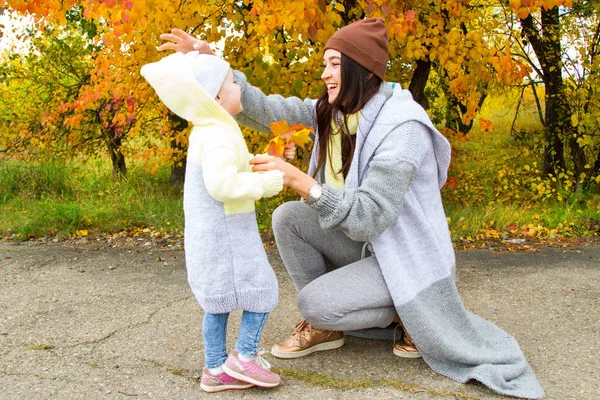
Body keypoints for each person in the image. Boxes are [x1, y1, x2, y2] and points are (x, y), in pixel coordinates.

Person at [158, 18, 544, 399]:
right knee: (288, 218)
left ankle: (405, 314)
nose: (325, 74)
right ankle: (332, 324)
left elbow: (370, 215)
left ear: (361, 69)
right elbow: (266, 109)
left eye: (334, 65)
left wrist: (302, 182)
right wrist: (215, 66)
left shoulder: (402, 129)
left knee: (315, 303)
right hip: (365, 247)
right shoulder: (336, 110)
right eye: (324, 64)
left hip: (405, 258)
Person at [140, 51, 291, 392]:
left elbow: (229, 168)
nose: (240, 86)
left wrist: (269, 158)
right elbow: (222, 185)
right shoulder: (220, 135)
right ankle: (245, 358)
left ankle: (215, 368)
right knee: (263, 290)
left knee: (218, 301)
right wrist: (266, 184)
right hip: (227, 235)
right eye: (234, 82)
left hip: (211, 235)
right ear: (217, 97)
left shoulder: (209, 130)